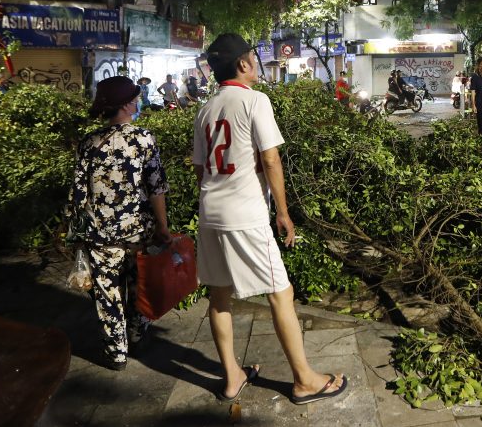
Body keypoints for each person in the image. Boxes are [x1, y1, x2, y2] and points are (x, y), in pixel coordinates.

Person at [192, 33, 347, 404]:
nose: (256, 64)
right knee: (281, 292)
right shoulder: (254, 100)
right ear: (243, 64)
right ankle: (305, 380)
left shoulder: (205, 109)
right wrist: (283, 211)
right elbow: (271, 159)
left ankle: (232, 377)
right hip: (245, 214)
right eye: (253, 58)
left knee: (219, 295)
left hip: (210, 212)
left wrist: (217, 195)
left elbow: (200, 169)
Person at [66, 76, 172, 371]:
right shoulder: (143, 139)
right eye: (135, 98)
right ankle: (138, 335)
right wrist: (162, 227)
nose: (138, 102)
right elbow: (157, 188)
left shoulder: (89, 143)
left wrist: (76, 232)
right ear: (126, 104)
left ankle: (116, 353)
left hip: (101, 236)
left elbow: (78, 193)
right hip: (139, 232)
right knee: (140, 285)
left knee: (107, 294)